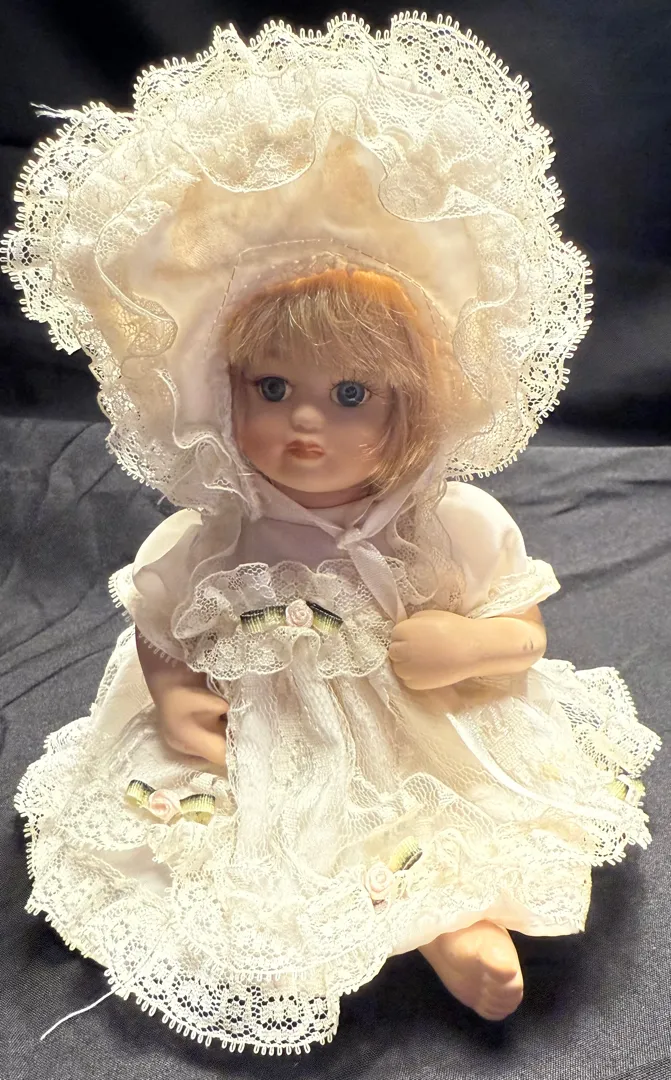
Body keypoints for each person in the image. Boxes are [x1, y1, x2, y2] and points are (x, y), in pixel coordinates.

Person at [3, 13, 660, 1056]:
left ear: (413, 403)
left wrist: (468, 645)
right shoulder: (215, 533)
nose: (304, 422)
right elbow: (159, 620)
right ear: (220, 391)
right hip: (264, 728)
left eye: (350, 393)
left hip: (414, 721)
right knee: (262, 841)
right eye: (271, 388)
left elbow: (522, 634)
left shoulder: (447, 524)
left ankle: (459, 920)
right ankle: (405, 930)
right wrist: (172, 692)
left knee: (436, 808)